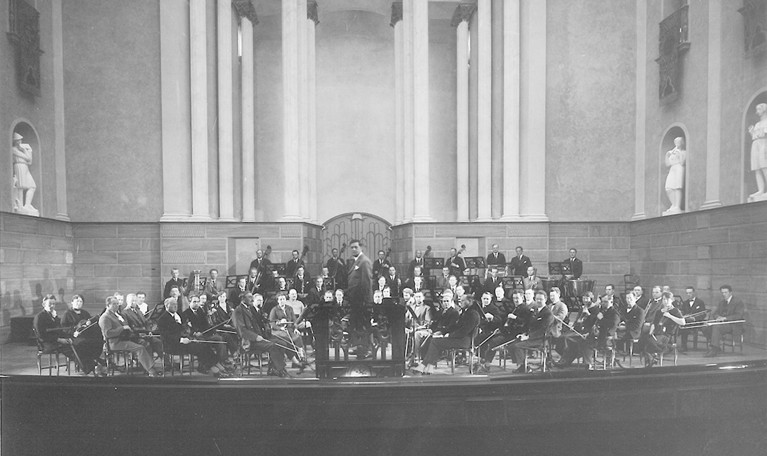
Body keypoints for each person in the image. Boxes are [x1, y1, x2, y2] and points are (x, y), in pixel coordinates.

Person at [411, 295, 480, 375]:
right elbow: (455, 327)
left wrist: (448, 335)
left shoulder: (473, 314)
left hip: (464, 341)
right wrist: (442, 332)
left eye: (462, 301)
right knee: (433, 341)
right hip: (460, 338)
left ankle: (424, 365)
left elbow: (464, 331)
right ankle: (429, 367)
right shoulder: (466, 312)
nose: (460, 302)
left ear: (469, 302)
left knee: (435, 342)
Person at [156, 297, 222, 375]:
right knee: (200, 347)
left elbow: (182, 330)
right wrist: (181, 340)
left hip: (183, 341)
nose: (175, 306)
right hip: (172, 345)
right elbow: (166, 336)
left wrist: (190, 336)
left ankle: (216, 365)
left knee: (204, 344)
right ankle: (214, 368)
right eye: (173, 304)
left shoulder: (177, 315)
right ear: (167, 306)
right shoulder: (162, 319)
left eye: (176, 304)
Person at [99, 296, 160, 377]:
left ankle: (146, 368)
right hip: (115, 343)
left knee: (146, 343)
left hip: (124, 339)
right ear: (108, 305)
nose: (117, 306)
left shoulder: (116, 315)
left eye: (117, 304)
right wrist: (122, 328)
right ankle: (151, 371)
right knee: (140, 348)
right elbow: (108, 333)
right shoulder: (105, 317)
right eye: (114, 304)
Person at [232, 292, 290, 377]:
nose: (252, 299)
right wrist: (255, 337)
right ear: (243, 299)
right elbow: (242, 331)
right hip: (249, 342)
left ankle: (274, 369)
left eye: (252, 297)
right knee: (273, 345)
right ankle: (281, 370)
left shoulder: (249, 309)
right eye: (249, 297)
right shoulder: (238, 311)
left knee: (282, 343)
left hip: (259, 338)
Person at [507, 290, 555, 373]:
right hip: (530, 336)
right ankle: (522, 365)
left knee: (517, 346)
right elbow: (529, 324)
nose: (539, 301)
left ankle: (524, 368)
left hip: (540, 339)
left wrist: (528, 337)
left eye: (541, 299)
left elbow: (542, 330)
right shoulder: (534, 310)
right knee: (511, 345)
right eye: (537, 299)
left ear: (546, 300)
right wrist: (524, 334)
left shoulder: (548, 313)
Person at [182, 294, 231, 372]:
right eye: (194, 302)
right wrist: (194, 333)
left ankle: (221, 362)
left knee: (219, 339)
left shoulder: (200, 311)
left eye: (198, 302)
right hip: (195, 337)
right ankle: (203, 366)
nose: (197, 303)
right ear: (189, 302)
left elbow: (205, 325)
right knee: (203, 344)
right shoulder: (185, 313)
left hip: (205, 334)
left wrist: (212, 330)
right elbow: (185, 328)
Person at [641, 292, 685, 366]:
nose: (665, 301)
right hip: (658, 334)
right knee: (644, 339)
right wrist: (650, 333)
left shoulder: (675, 311)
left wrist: (670, 316)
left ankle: (652, 358)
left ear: (672, 300)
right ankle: (651, 359)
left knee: (649, 342)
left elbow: (683, 322)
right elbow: (654, 324)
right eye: (664, 299)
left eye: (667, 299)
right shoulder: (659, 311)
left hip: (668, 336)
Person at [704, 285, 746, 358]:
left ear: (730, 292)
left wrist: (725, 318)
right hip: (723, 324)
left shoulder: (738, 302)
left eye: (725, 292)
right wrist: (718, 317)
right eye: (722, 292)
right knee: (706, 327)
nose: (724, 294)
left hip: (734, 325)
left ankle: (714, 349)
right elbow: (715, 313)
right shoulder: (722, 302)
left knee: (716, 327)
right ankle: (716, 346)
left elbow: (738, 315)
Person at [122, 292, 163, 358]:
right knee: (147, 345)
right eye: (131, 301)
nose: (133, 302)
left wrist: (149, 331)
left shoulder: (138, 310)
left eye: (135, 301)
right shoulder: (124, 313)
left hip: (145, 334)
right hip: (135, 336)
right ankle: (147, 366)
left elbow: (146, 322)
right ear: (127, 301)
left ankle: (166, 364)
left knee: (157, 342)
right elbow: (129, 328)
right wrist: (145, 331)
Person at [11, 132, 38, 214]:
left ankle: (27, 205)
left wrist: (25, 150)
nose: (20, 142)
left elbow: (29, 160)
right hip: (19, 166)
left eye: (20, 140)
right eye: (18, 141)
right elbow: (27, 157)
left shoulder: (21, 150)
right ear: (15, 141)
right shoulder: (13, 149)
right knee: (21, 186)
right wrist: (25, 150)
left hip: (25, 167)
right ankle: (20, 206)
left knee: (32, 186)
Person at [747, 103, 767, 202]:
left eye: (758, 109)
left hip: (764, 144)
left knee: (764, 167)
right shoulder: (758, 124)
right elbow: (755, 136)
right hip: (755, 145)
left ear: (764, 110)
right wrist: (752, 132)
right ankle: (761, 190)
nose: (756, 112)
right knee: (757, 168)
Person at [663, 136, 687, 215]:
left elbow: (682, 162)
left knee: (677, 187)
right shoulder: (673, 152)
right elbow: (667, 164)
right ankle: (673, 204)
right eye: (675, 142)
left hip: (679, 168)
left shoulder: (683, 152)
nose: (677, 144)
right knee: (668, 188)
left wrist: (679, 154)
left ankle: (677, 206)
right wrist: (667, 155)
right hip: (672, 169)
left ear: (681, 143)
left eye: (678, 142)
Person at [678, 286, 706, 352]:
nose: (689, 295)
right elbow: (682, 312)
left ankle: (682, 345)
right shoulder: (685, 303)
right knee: (683, 325)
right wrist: (685, 315)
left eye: (690, 293)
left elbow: (703, 314)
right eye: (687, 293)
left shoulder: (700, 302)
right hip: (688, 322)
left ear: (694, 293)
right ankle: (683, 346)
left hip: (697, 322)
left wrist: (694, 318)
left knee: (684, 326)